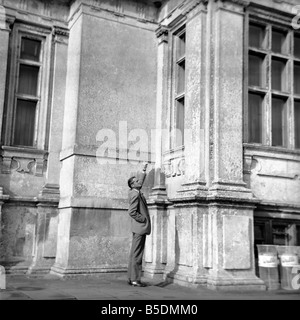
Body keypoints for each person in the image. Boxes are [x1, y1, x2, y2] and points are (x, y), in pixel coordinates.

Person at [127, 163, 151, 287]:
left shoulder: (135, 191)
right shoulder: (135, 194)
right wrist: (143, 219)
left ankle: (132, 277)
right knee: (137, 254)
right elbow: (131, 211)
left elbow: (141, 181)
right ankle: (135, 279)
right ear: (133, 185)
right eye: (136, 181)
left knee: (134, 253)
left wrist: (143, 170)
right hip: (139, 227)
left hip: (138, 228)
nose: (139, 182)